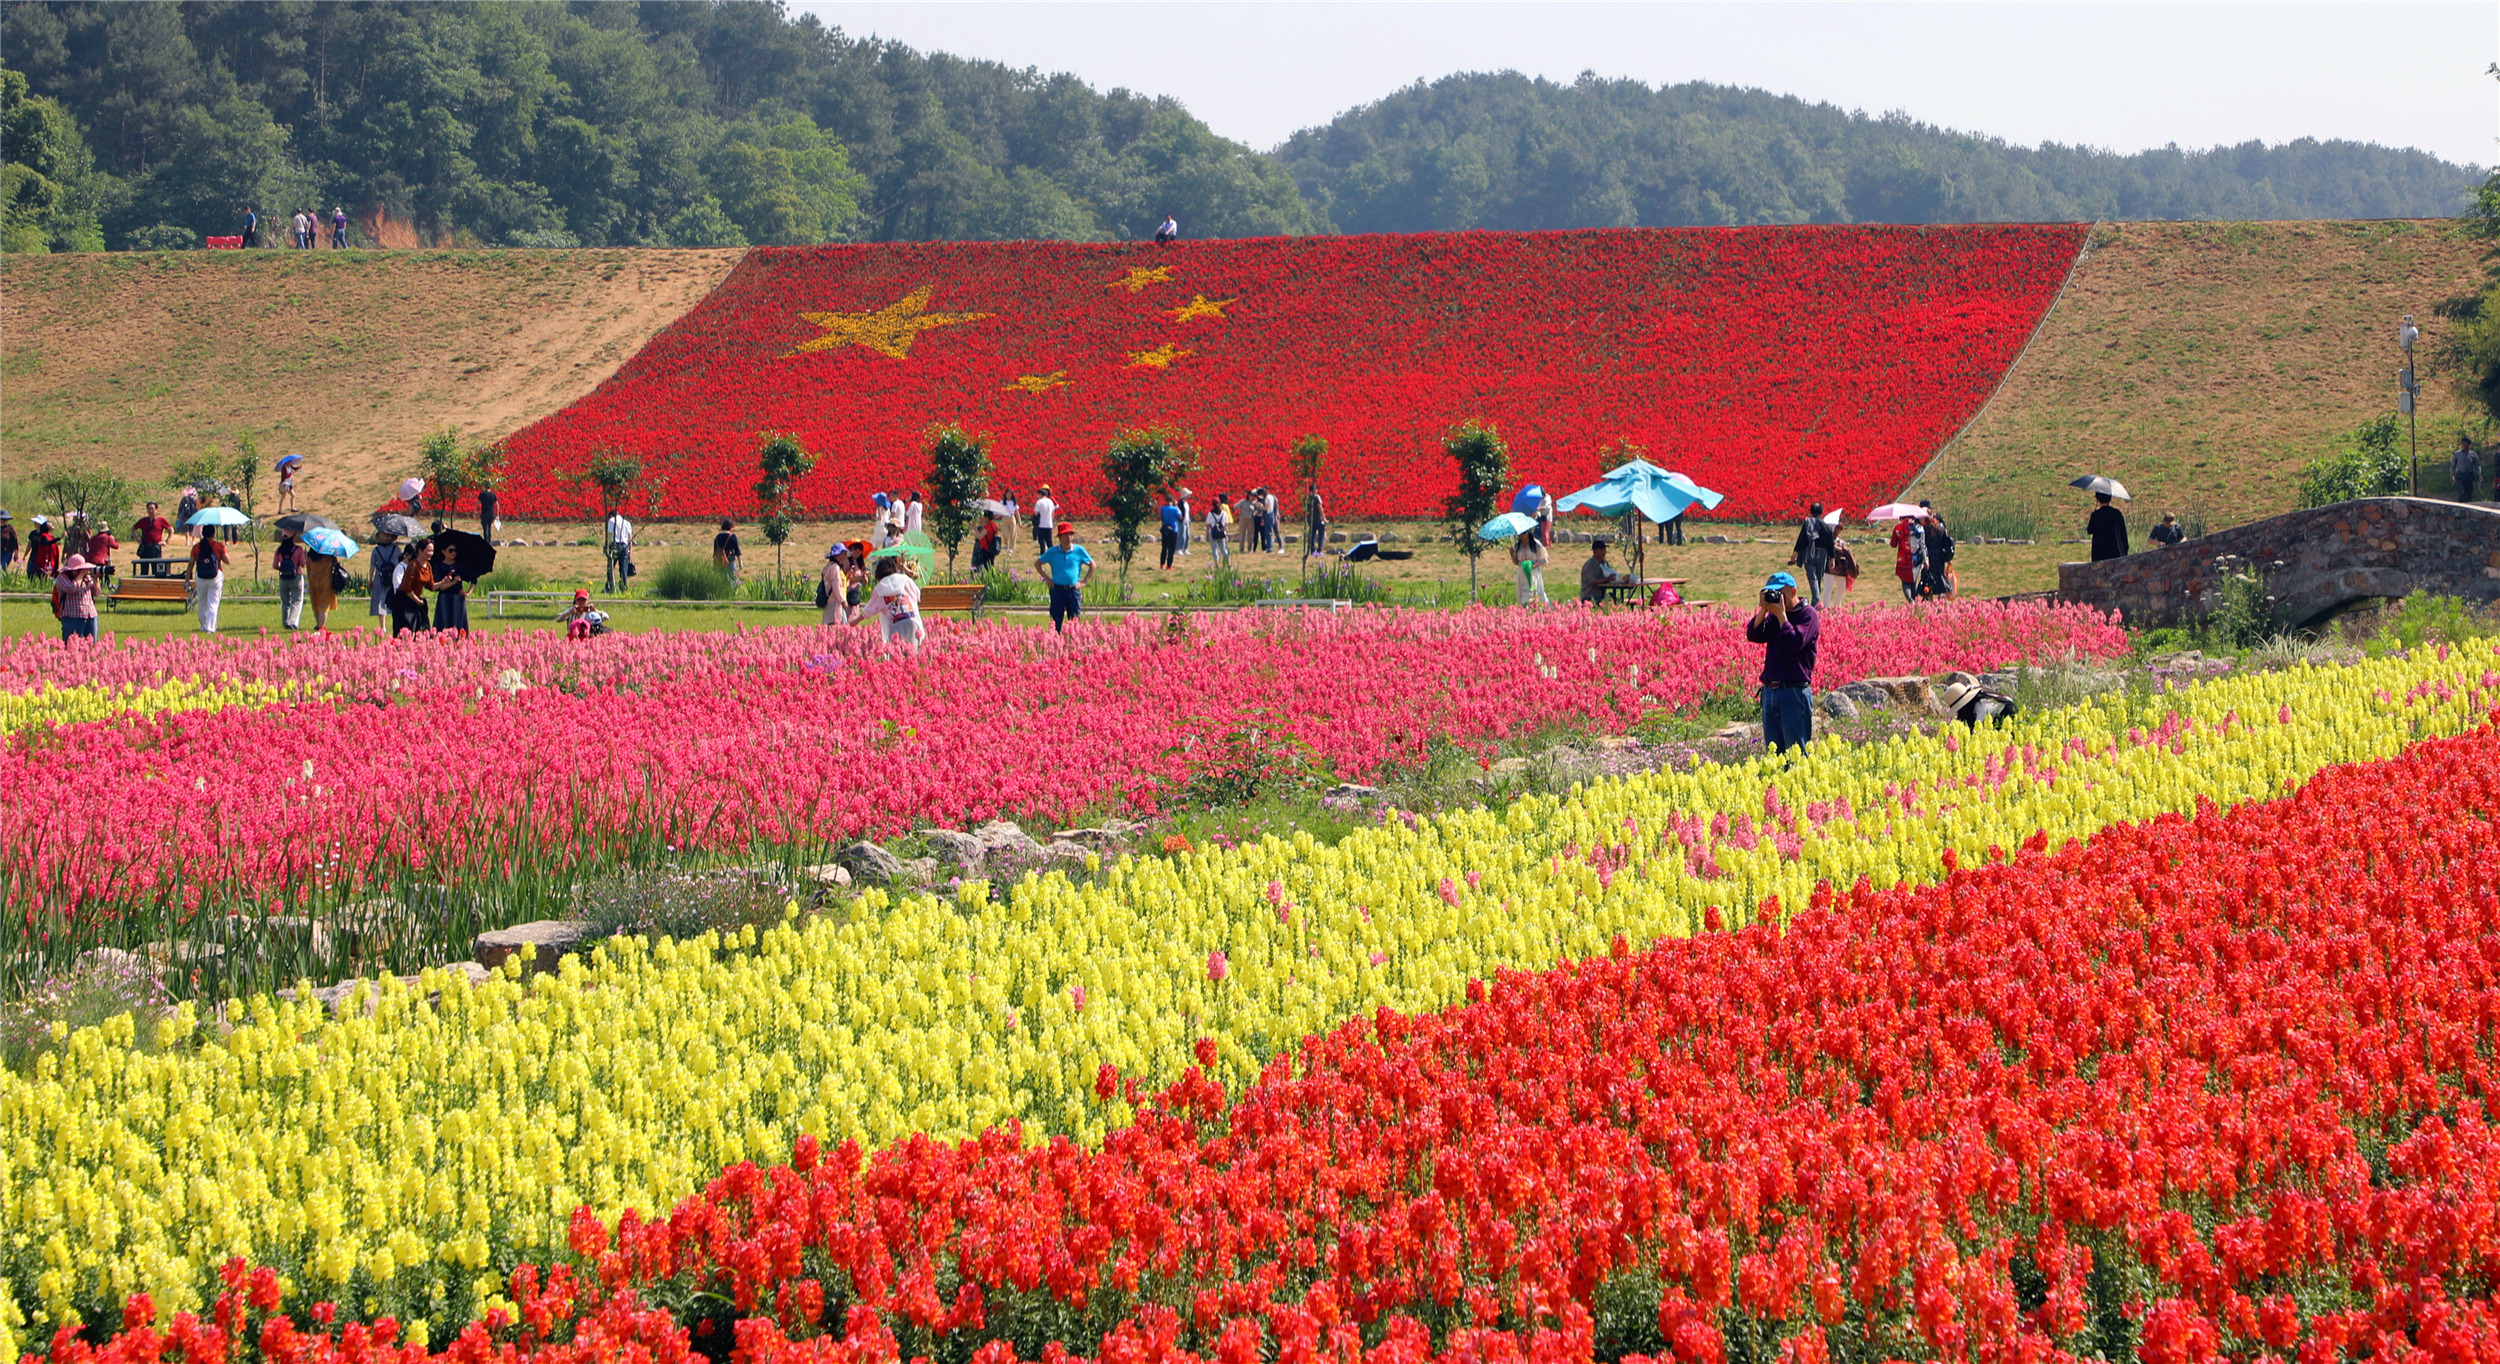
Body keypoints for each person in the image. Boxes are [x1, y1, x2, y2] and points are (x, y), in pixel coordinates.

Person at [1745, 571, 1819, 754]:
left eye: (1780, 594)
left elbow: (1795, 643)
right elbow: (1753, 635)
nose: (1777, 598)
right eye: (1772, 593)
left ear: (1793, 592)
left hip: (1793, 692)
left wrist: (1781, 616)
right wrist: (1764, 609)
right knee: (1774, 754)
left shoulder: (1808, 615)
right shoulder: (1773, 617)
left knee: (1796, 753)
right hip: (1771, 691)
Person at [1037, 523, 1094, 632]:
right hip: (1057, 589)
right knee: (1055, 621)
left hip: (1073, 589)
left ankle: (1073, 645)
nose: (1068, 538)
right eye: (1065, 535)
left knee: (1075, 621)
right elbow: (1037, 564)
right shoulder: (1052, 552)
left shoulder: (1079, 550)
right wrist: (1047, 579)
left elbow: (1092, 565)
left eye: (1070, 534)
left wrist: (1084, 582)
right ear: (1059, 537)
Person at [869, 555, 925, 651]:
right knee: (914, 650)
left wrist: (856, 620)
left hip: (895, 625)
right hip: (913, 621)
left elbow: (869, 609)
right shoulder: (905, 579)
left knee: (897, 651)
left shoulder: (881, 587)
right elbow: (917, 596)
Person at [1790, 504, 1836, 607]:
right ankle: (1816, 605)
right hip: (1823, 555)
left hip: (1810, 553)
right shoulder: (1827, 526)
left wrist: (1795, 554)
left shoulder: (1808, 523)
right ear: (1821, 512)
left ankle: (1817, 601)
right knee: (1818, 579)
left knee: (1813, 579)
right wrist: (1832, 558)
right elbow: (1830, 543)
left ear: (1811, 511)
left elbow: (1802, 538)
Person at [388, 537, 431, 636]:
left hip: (412, 601)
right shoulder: (400, 568)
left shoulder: (413, 567)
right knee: (403, 627)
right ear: (406, 555)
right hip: (401, 602)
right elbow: (398, 586)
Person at [52, 554, 99, 641]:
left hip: (91, 616)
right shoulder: (62, 577)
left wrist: (96, 579)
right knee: (72, 647)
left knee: (91, 648)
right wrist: (81, 574)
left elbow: (96, 592)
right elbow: (71, 588)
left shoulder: (86, 577)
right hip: (72, 617)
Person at [191, 530, 229, 632]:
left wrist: (187, 579)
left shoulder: (196, 547)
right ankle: (211, 627)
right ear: (213, 534)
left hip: (200, 576)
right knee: (213, 602)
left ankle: (203, 625)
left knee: (202, 602)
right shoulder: (218, 546)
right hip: (215, 576)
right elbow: (227, 561)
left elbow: (191, 564)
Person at [431, 537, 470, 635]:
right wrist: (453, 582)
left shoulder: (459, 565)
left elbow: (472, 579)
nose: (453, 553)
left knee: (458, 622)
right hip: (445, 597)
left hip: (457, 598)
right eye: (450, 550)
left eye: (455, 551)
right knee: (443, 622)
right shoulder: (438, 566)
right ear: (443, 551)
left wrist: (467, 592)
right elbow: (441, 587)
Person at [1578, 538, 1631, 605]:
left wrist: (1619, 578)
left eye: (1604, 550)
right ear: (1594, 551)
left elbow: (1610, 575)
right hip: (1590, 596)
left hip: (1602, 595)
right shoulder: (1589, 565)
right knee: (1608, 603)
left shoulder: (1605, 563)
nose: (1604, 552)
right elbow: (1593, 581)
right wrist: (1608, 579)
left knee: (1616, 600)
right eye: (1601, 550)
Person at [273, 530, 308, 630]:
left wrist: (282, 569)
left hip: (283, 578)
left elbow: (275, 565)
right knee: (296, 600)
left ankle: (285, 622)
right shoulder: (298, 549)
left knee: (285, 601)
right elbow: (303, 564)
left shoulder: (279, 550)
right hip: (296, 577)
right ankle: (292, 621)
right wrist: (304, 556)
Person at [368, 533, 402, 628]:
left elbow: (372, 567)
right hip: (394, 577)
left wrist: (370, 580)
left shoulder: (376, 550)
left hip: (380, 577)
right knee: (395, 599)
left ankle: (383, 626)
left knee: (380, 600)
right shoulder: (397, 549)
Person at [1919, 513, 1956, 599]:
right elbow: (1945, 543)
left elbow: (1923, 543)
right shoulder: (1942, 529)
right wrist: (1947, 557)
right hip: (1939, 557)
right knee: (1940, 578)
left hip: (1929, 556)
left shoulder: (1925, 529)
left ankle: (1930, 600)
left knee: (1928, 580)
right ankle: (1941, 600)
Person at [1511, 526, 1550, 606]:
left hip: (1532, 572)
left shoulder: (1535, 544)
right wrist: (1512, 554)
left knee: (1529, 594)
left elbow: (1543, 559)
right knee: (1521, 594)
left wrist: (1533, 565)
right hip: (1522, 573)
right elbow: (1517, 563)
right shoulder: (1518, 546)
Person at [819, 546, 856, 626]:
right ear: (836, 555)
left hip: (829, 604)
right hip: (836, 604)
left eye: (845, 554)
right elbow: (837, 588)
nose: (845, 557)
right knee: (838, 627)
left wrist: (847, 579)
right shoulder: (835, 568)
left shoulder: (828, 566)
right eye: (843, 554)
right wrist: (844, 602)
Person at [2086, 493, 2128, 562]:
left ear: (2098, 500)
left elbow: (2089, 530)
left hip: (2099, 553)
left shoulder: (2096, 515)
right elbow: (2123, 533)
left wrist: (2093, 514)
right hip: (2115, 552)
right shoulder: (2117, 513)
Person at [1890, 517, 1923, 604]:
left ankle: (1910, 600)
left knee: (1905, 582)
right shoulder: (1919, 527)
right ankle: (1915, 600)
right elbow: (1922, 543)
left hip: (1903, 559)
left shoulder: (1898, 528)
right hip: (1916, 558)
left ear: (1901, 518)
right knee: (1913, 581)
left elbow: (1893, 544)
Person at [133, 502, 171, 576]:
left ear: (156, 510)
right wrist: (138, 540)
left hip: (155, 547)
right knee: (144, 570)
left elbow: (171, 529)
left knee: (156, 570)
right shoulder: (143, 521)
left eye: (152, 509)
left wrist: (166, 541)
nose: (150, 511)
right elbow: (133, 528)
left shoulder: (161, 520)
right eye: (149, 509)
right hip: (145, 547)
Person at [308, 545, 340, 631]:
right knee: (324, 606)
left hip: (313, 581)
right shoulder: (328, 554)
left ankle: (318, 624)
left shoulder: (310, 555)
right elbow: (336, 564)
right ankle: (321, 626)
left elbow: (308, 570)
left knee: (316, 604)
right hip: (325, 581)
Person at [604, 509, 635, 591]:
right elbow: (630, 537)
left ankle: (609, 587)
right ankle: (624, 587)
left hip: (615, 545)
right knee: (623, 569)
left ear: (610, 516)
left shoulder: (611, 521)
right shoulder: (627, 522)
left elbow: (609, 534)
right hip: (625, 546)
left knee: (610, 568)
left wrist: (606, 546)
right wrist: (630, 550)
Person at [82, 519, 116, 584]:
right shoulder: (107, 537)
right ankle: (105, 584)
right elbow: (116, 546)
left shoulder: (93, 538)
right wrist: (112, 539)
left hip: (90, 559)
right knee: (105, 571)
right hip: (101, 560)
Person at [713, 519, 743, 586]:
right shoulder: (732, 536)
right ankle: (731, 593)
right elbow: (737, 551)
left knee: (722, 579)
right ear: (731, 526)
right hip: (730, 561)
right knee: (733, 579)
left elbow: (715, 551)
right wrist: (740, 562)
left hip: (720, 561)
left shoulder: (718, 537)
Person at [2453, 436, 2482, 504]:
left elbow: (2477, 465)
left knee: (2469, 493)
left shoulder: (2473, 454)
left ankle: (2469, 507)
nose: (2464, 446)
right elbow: (2453, 466)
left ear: (2469, 445)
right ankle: (2460, 506)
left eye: (2466, 444)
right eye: (2463, 444)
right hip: (2460, 475)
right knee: (2462, 493)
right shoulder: (2457, 454)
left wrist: (2480, 474)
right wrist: (2452, 475)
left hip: (2469, 475)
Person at [1205, 494, 1230, 568]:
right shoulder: (1224, 514)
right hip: (1222, 533)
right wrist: (1226, 534)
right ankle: (1227, 563)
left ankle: (1217, 564)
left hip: (1213, 533)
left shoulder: (1210, 514)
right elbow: (1226, 525)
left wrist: (1207, 536)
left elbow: (1208, 526)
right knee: (1224, 549)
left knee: (1214, 549)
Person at [1158, 494, 1183, 569]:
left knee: (1164, 548)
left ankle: (1162, 564)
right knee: (1171, 549)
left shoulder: (1163, 508)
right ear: (1172, 501)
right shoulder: (1174, 509)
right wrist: (1176, 505)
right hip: (1173, 530)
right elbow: (1181, 517)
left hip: (1165, 529)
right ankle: (1169, 565)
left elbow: (1161, 516)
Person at [1303, 485, 1327, 556]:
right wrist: (1324, 518)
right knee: (1321, 535)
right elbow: (1320, 508)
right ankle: (1320, 550)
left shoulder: (1308, 498)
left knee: (1312, 535)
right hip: (1319, 520)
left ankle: (1312, 550)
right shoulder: (1317, 497)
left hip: (1311, 520)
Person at [0, 511, 16, 577]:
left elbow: (15, 541)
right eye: (1, 519)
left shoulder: (10, 529)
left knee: (1, 567)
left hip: (7, 552)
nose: (2, 521)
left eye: (4, 519)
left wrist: (16, 553)